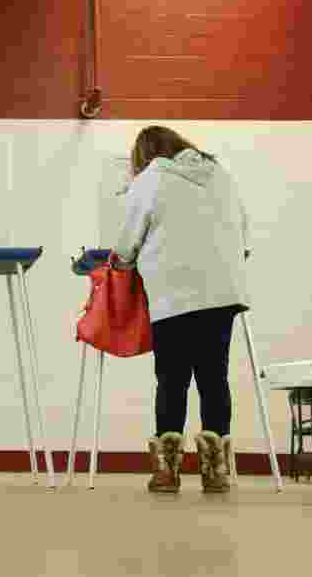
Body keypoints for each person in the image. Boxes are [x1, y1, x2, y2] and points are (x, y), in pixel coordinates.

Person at [112, 126, 249, 495]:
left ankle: (167, 472)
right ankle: (215, 471)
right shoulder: (221, 174)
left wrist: (121, 262)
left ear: (145, 155)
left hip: (174, 295)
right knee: (213, 379)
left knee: (173, 381)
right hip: (223, 292)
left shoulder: (151, 178)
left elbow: (125, 245)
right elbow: (244, 236)